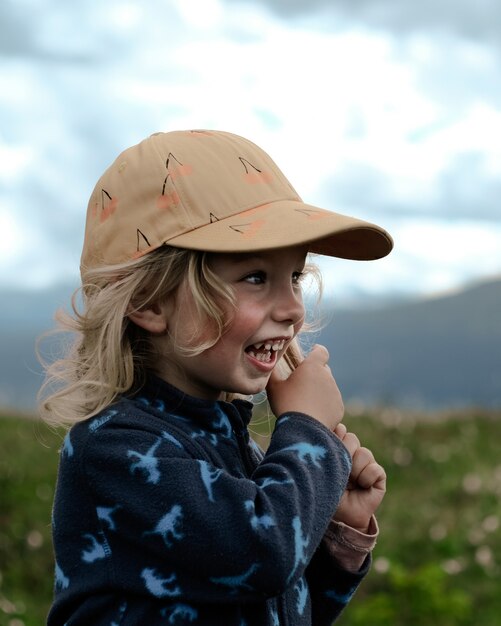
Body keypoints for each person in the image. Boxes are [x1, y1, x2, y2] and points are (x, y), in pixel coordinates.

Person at [40, 129, 392, 626]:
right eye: (255, 277)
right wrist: (308, 430)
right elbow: (264, 552)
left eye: (295, 277)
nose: (293, 308)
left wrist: (338, 535)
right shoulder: (114, 450)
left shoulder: (239, 451)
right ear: (148, 301)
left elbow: (276, 606)